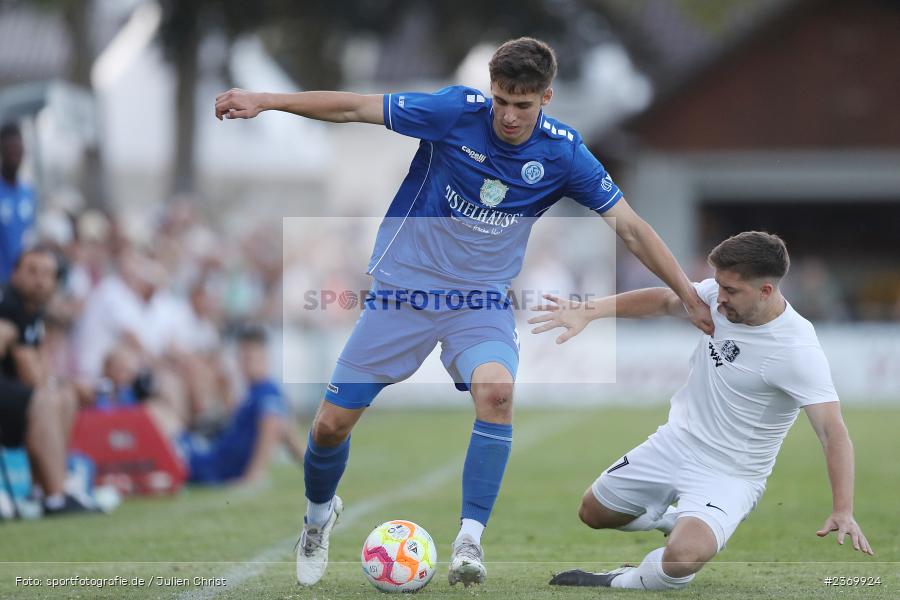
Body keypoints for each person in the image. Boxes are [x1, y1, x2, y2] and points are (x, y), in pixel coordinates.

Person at [215, 37, 713, 587]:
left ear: (546, 98)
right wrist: (266, 99)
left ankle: (469, 541)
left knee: (497, 392)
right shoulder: (454, 112)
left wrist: (687, 294)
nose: (507, 115)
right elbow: (357, 106)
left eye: (522, 105)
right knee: (331, 427)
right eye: (500, 99)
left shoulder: (564, 153)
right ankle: (317, 517)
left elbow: (631, 228)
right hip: (403, 292)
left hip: (478, 300)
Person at [527, 231, 873, 591]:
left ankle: (621, 580)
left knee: (683, 559)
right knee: (594, 512)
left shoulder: (797, 352)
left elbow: (833, 431)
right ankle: (673, 520)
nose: (718, 298)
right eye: (719, 285)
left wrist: (843, 509)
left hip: (730, 474)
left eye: (731, 291)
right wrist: (591, 310)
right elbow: (664, 301)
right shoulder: (719, 298)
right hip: (676, 442)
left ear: (766, 291)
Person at [148, 326, 299, 486]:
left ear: (265, 358)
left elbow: (271, 427)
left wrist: (253, 475)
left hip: (214, 467)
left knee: (157, 413)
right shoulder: (253, 392)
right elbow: (285, 430)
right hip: (213, 455)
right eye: (244, 358)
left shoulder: (267, 391)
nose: (246, 364)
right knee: (161, 416)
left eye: (252, 358)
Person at [0, 246, 89, 514]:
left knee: (63, 395)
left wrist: (57, 385)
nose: (39, 280)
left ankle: (45, 488)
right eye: (32, 271)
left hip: (10, 392)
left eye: (46, 274)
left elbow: (39, 365)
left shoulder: (33, 310)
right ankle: (56, 496)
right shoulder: (9, 304)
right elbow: (30, 371)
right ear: (15, 274)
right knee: (45, 399)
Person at [0, 123, 36, 282]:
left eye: (18, 150)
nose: (15, 155)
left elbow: (30, 235)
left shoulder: (28, 192)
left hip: (21, 282)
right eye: (10, 150)